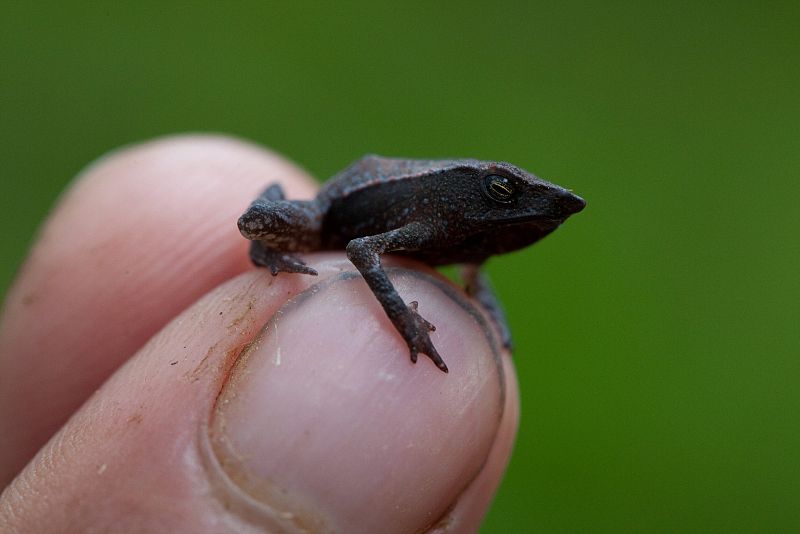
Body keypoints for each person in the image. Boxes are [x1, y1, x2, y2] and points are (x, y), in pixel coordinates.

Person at [0, 135, 518, 533]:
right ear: (468, 188)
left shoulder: (462, 231)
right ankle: (266, 247)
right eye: (501, 192)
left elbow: (472, 259)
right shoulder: (439, 203)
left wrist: (487, 303)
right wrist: (404, 320)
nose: (508, 202)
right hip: (329, 217)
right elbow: (362, 248)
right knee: (260, 219)